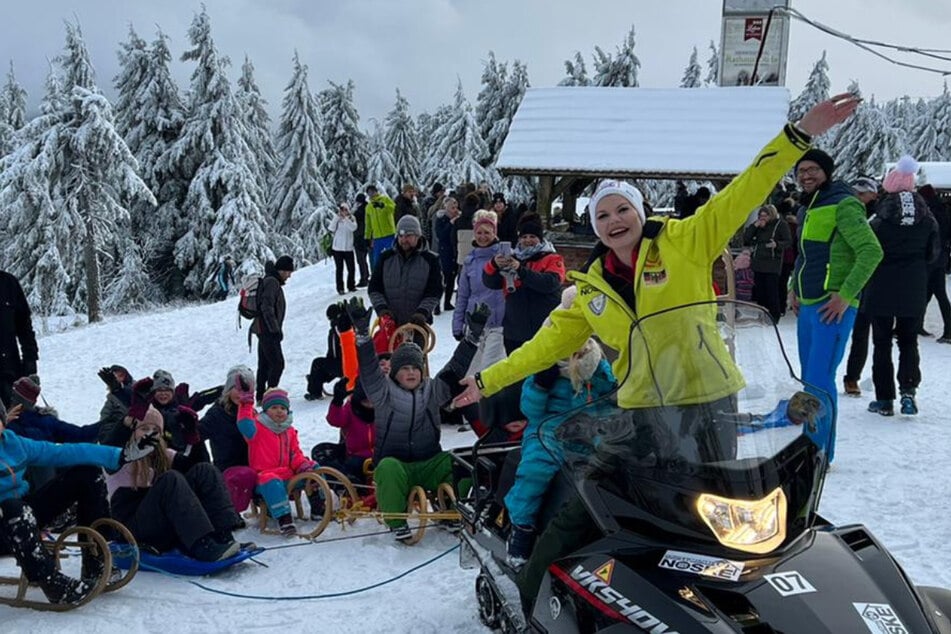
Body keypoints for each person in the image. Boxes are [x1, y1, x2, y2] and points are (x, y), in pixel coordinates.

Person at [452, 94, 860, 603]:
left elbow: (744, 190)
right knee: (585, 508)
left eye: (623, 208)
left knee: (720, 520)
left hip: (709, 406)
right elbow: (542, 347)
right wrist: (485, 380)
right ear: (593, 227)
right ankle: (534, 603)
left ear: (641, 213)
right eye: (602, 215)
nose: (614, 220)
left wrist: (798, 136)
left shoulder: (687, 241)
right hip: (641, 415)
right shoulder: (590, 289)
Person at [345, 297, 488, 540]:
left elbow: (455, 368)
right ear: (395, 372)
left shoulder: (433, 390)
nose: (410, 372)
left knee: (463, 462)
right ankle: (397, 521)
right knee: (388, 468)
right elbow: (369, 368)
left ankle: (453, 508)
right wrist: (362, 335)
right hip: (396, 464)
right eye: (404, 369)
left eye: (415, 368)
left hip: (428, 461)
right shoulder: (382, 392)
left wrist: (472, 337)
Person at [0, 401, 157, 605]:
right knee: (13, 508)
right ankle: (50, 581)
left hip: (22, 518)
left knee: (87, 474)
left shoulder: (13, 444)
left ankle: (95, 561)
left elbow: (65, 451)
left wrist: (121, 455)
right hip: (5, 528)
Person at [789, 147, 883, 458]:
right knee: (809, 379)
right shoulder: (809, 206)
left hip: (833, 307)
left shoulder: (844, 204)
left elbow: (871, 252)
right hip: (808, 303)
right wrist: (793, 287)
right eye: (801, 170)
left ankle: (818, 453)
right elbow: (805, 255)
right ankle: (809, 443)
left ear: (827, 171)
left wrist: (846, 296)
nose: (806, 175)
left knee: (819, 380)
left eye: (813, 169)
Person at [505, 308, 616, 569]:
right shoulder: (545, 364)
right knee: (536, 468)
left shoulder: (596, 364)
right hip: (548, 428)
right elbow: (530, 410)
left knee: (616, 466)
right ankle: (521, 527)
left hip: (590, 429)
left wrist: (607, 388)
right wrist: (541, 385)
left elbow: (610, 398)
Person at [104, 405, 243, 562]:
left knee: (205, 470)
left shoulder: (163, 455)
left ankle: (222, 535)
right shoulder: (120, 456)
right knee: (171, 479)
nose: (149, 433)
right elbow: (108, 448)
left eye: (154, 430)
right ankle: (200, 544)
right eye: (144, 428)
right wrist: (126, 422)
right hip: (131, 526)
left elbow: (197, 469)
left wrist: (193, 438)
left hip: (160, 521)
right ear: (132, 431)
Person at [862, 157, 938, 416]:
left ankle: (884, 400)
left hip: (881, 284)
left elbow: (867, 250)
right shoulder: (927, 218)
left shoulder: (879, 218)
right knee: (909, 341)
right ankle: (908, 392)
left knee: (881, 342)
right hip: (914, 285)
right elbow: (934, 253)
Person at [235, 386, 322, 536]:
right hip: (264, 478)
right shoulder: (257, 428)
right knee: (271, 480)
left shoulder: (289, 431)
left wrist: (304, 466)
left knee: (315, 468)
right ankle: (284, 519)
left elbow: (295, 455)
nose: (279, 411)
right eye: (274, 407)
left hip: (288, 476)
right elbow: (244, 424)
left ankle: (318, 507)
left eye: (282, 408)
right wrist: (246, 404)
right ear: (265, 410)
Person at [483, 213, 566, 354]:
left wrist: (521, 271)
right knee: (517, 373)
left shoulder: (552, 258)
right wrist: (493, 265)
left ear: (540, 239)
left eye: (532, 237)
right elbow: (491, 283)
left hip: (544, 329)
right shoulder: (511, 258)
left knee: (545, 372)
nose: (528, 240)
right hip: (515, 331)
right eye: (524, 237)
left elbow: (550, 283)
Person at [199, 365, 258, 513]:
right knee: (245, 474)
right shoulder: (217, 413)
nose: (241, 394)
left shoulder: (252, 412)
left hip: (253, 465)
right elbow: (198, 434)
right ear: (228, 389)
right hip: (229, 469)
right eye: (237, 389)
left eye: (247, 390)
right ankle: (227, 510)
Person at [842, 176, 881, 397]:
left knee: (861, 332)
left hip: (871, 281)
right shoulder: (848, 211)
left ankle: (852, 377)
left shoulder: (880, 216)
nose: (858, 197)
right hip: (847, 277)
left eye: (862, 194)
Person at [368, 215, 442, 328]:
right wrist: (382, 308)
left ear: (418, 236)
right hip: (390, 325)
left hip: (418, 325)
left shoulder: (430, 260)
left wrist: (423, 312)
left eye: (408, 236)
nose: (403, 240)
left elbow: (434, 291)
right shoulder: (385, 258)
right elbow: (374, 288)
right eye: (401, 236)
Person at [253, 256, 294, 403]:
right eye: (288, 272)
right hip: (267, 330)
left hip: (263, 329)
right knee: (277, 363)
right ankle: (270, 396)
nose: (289, 275)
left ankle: (261, 396)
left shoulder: (271, 280)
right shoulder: (272, 282)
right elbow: (267, 307)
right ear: (282, 270)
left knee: (264, 364)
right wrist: (275, 329)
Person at [743, 204, 791, 322]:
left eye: (765, 215)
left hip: (772, 262)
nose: (762, 218)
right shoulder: (758, 226)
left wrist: (777, 245)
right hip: (758, 262)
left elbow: (788, 241)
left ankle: (774, 315)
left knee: (771, 290)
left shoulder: (780, 225)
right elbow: (746, 238)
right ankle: (762, 312)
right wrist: (754, 226)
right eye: (761, 215)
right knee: (760, 290)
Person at [0, 269, 38, 408]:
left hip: (9, 371)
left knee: (16, 423)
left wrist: (31, 358)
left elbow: (25, 327)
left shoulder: (9, 283)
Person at [325, 378, 375, 484]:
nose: (370, 404)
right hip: (355, 454)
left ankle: (354, 484)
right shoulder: (351, 408)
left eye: (373, 400)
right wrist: (337, 402)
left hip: (380, 454)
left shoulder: (384, 409)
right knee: (322, 452)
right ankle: (347, 483)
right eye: (365, 401)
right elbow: (335, 420)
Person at [918, 184, 951, 343]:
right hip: (941, 258)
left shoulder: (928, 212)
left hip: (929, 258)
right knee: (929, 294)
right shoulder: (943, 210)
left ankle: (949, 330)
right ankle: (919, 324)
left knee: (931, 294)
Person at [329, 202, 358, 295]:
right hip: (337, 248)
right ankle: (340, 288)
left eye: (345, 209)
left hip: (348, 248)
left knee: (351, 268)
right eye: (342, 210)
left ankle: (351, 285)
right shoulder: (337, 218)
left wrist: (346, 219)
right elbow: (331, 228)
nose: (343, 211)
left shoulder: (351, 218)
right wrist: (337, 218)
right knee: (339, 269)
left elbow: (353, 228)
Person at [365, 184, 397, 269]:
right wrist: (367, 237)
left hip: (389, 233)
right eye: (369, 193)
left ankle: (394, 272)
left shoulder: (385, 199)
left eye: (372, 191)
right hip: (377, 236)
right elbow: (368, 223)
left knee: (392, 255)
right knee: (376, 259)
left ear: (376, 191)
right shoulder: (368, 207)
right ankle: (378, 277)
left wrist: (383, 206)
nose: (371, 194)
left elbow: (393, 208)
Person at [352, 193, 371, 287]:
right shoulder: (368, 208)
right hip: (367, 237)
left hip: (360, 238)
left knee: (361, 260)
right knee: (364, 259)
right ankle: (366, 276)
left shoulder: (359, 212)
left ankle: (364, 278)